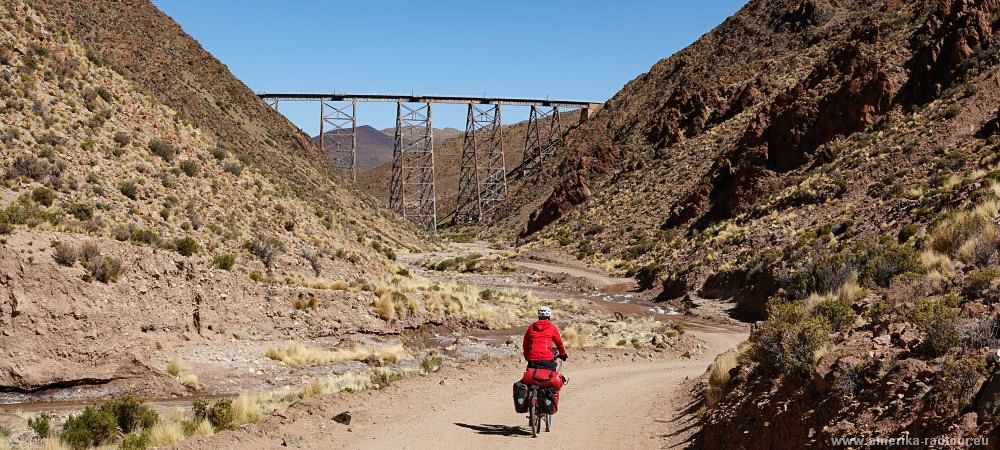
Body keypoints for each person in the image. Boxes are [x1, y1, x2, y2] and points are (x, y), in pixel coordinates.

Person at [522, 305, 568, 370]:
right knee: (551, 376)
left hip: (532, 360)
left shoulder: (531, 327)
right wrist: (563, 354)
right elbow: (559, 344)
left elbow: (525, 344)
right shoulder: (552, 327)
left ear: (538, 315)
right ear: (549, 316)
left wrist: (526, 356)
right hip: (547, 360)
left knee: (529, 377)